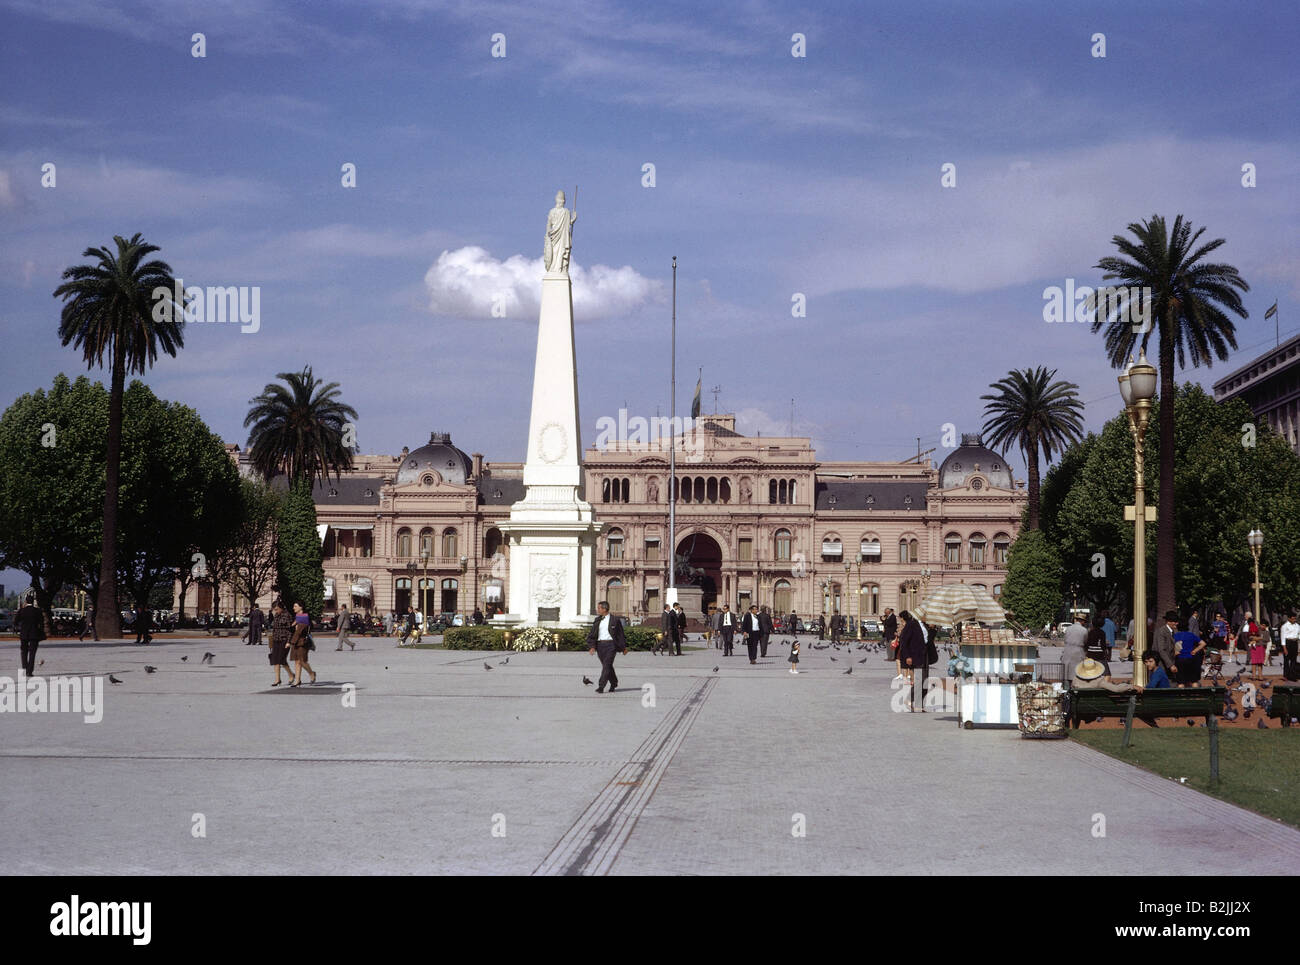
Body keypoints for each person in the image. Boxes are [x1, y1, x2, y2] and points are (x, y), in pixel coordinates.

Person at [586, 601, 625, 694]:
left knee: (607, 665)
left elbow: (620, 635)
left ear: (605, 609)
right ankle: (614, 683)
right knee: (607, 666)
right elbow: (592, 634)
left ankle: (601, 686)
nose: (597, 610)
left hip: (611, 645)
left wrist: (623, 647)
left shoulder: (615, 620)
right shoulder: (597, 620)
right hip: (600, 646)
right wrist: (592, 647)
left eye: (599, 608)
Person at [896, 610, 927, 711]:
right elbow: (904, 641)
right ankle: (910, 700)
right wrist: (908, 656)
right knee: (919, 680)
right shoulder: (911, 625)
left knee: (921, 681)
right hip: (914, 657)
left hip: (921, 656)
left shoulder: (918, 624)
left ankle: (917, 704)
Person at [288, 602, 316, 687]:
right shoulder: (295, 617)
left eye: (295, 606)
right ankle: (297, 680)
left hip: (303, 641)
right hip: (295, 641)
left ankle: (311, 673)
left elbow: (303, 630)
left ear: (301, 607)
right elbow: (292, 629)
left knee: (302, 661)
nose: (293, 608)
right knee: (297, 661)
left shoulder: (305, 617)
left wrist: (291, 642)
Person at [268, 600, 295, 686]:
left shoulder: (287, 616)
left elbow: (291, 630)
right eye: (274, 609)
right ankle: (277, 679)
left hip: (284, 640)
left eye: (276, 609)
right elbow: (275, 628)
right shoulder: (276, 615)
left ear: (281, 608)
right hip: (276, 639)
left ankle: (291, 674)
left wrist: (289, 641)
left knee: (282, 660)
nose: (275, 611)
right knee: (275, 660)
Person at [15, 594, 43, 677]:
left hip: (23, 634)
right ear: (33, 601)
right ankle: (29, 671)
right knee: (32, 653)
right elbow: (41, 623)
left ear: (26, 601)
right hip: (34, 634)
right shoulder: (37, 611)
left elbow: (15, 622)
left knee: (24, 651)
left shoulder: (22, 610)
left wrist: (19, 627)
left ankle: (25, 667)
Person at [1061, 614, 1088, 683]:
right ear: (1082, 621)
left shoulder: (1068, 628)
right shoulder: (1084, 630)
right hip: (1078, 652)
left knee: (1067, 671)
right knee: (1077, 672)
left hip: (1067, 650)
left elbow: (1065, 640)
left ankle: (1066, 689)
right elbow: (1085, 641)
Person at [1152, 610, 1178, 676]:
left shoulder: (1172, 632)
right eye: (1174, 621)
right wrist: (1170, 665)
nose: (1177, 623)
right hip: (1162, 665)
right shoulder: (1162, 631)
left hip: (1167, 665)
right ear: (1168, 622)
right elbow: (1161, 650)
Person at [1280, 612, 1300, 682]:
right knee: (1286, 660)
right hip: (1288, 643)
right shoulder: (1284, 626)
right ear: (1289, 618)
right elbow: (1283, 638)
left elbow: (1299, 636)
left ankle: (1292, 675)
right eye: (1293, 619)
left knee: (1293, 660)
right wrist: (1284, 648)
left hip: (1295, 642)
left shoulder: (1297, 626)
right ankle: (1285, 675)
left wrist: (1298, 647)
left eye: (1295, 618)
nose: (1294, 620)